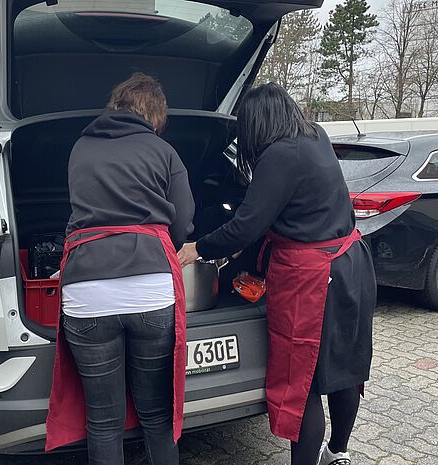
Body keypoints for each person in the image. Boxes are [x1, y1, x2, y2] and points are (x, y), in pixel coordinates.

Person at [178, 83, 376, 465]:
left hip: (313, 277)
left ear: (255, 124)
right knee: (345, 367)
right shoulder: (314, 135)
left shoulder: (278, 156)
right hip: (351, 263)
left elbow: (245, 226)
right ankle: (338, 453)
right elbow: (290, 208)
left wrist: (198, 248)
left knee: (303, 382)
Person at [44, 73, 194, 464]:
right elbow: (183, 223)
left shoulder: (80, 147)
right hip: (151, 291)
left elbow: (77, 212)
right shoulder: (163, 151)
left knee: (104, 421)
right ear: (156, 114)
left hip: (86, 291)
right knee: (157, 416)